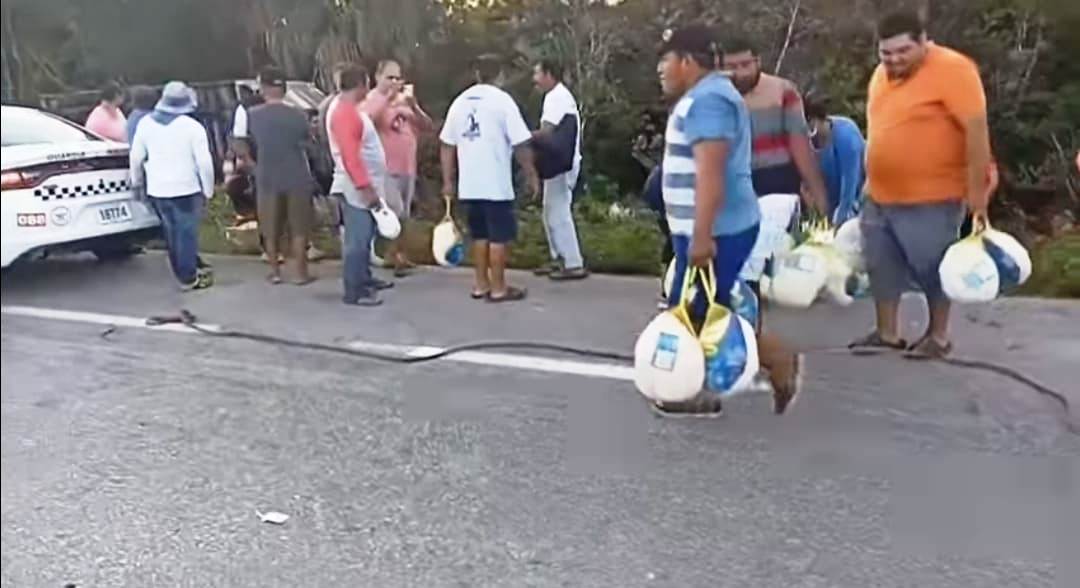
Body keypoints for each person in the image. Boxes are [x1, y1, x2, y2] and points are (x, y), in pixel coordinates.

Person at [656, 25, 801, 417]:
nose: (661, 69)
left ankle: (758, 367)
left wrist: (702, 236)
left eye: (665, 60)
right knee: (703, 308)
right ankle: (752, 367)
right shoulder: (707, 97)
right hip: (704, 229)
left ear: (687, 61)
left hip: (716, 230)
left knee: (698, 311)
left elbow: (711, 173)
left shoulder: (709, 102)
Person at [850, 10, 993, 359]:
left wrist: (978, 196)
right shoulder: (880, 76)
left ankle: (938, 335)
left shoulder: (954, 69)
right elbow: (879, 128)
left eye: (903, 52)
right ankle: (887, 332)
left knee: (931, 265)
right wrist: (869, 182)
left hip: (933, 195)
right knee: (881, 264)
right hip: (880, 194)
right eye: (886, 54)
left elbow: (976, 133)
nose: (894, 60)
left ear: (923, 41)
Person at [439, 54, 540, 303]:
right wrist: (531, 174)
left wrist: (448, 181)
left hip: (470, 184)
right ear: (500, 75)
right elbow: (521, 143)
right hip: (495, 183)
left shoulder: (460, 102)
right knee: (498, 237)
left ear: (476, 75)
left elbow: (446, 144)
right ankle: (498, 288)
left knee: (480, 235)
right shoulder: (502, 101)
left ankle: (480, 284)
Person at [721, 38, 827, 214]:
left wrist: (819, 199)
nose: (740, 73)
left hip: (778, 178)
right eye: (731, 67)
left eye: (745, 64)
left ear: (758, 62)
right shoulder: (714, 98)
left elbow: (800, 146)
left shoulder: (782, 91)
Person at [129, 81, 214, 290]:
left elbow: (136, 157)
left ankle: (181, 271)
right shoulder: (192, 127)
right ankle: (187, 277)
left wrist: (136, 182)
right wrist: (208, 189)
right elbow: (204, 162)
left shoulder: (145, 124)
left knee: (171, 232)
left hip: (158, 189)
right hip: (187, 188)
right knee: (186, 233)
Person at [243, 67, 317, 285]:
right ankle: (300, 273)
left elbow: (239, 144)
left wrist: (252, 165)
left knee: (270, 226)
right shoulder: (299, 115)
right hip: (297, 174)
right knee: (299, 226)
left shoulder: (251, 116)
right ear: (283, 89)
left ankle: (275, 272)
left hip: (267, 175)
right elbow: (310, 143)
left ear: (263, 88)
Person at [328, 64, 393, 307]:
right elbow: (350, 156)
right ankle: (354, 290)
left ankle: (364, 278)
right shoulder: (345, 114)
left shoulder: (351, 110)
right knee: (357, 238)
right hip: (357, 188)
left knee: (365, 237)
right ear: (361, 84)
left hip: (364, 184)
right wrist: (365, 188)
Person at [361, 60, 434, 277]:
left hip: (407, 166)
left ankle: (399, 255)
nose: (394, 82)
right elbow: (367, 121)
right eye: (389, 77)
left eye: (398, 78)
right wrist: (388, 98)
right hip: (384, 167)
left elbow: (427, 126)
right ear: (378, 77)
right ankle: (384, 252)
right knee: (395, 210)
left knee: (404, 214)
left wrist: (414, 106)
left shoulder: (405, 101)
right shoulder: (371, 99)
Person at [531, 59, 588, 281]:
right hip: (557, 164)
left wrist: (522, 136)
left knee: (559, 211)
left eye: (537, 73)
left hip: (562, 165)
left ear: (549, 74)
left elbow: (546, 132)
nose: (534, 79)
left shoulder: (557, 97)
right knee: (550, 210)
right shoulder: (556, 96)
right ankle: (559, 257)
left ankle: (573, 262)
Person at [805, 100, 866, 226]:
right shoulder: (807, 143)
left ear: (813, 120)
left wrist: (840, 218)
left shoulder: (846, 135)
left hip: (858, 202)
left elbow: (850, 182)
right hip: (830, 206)